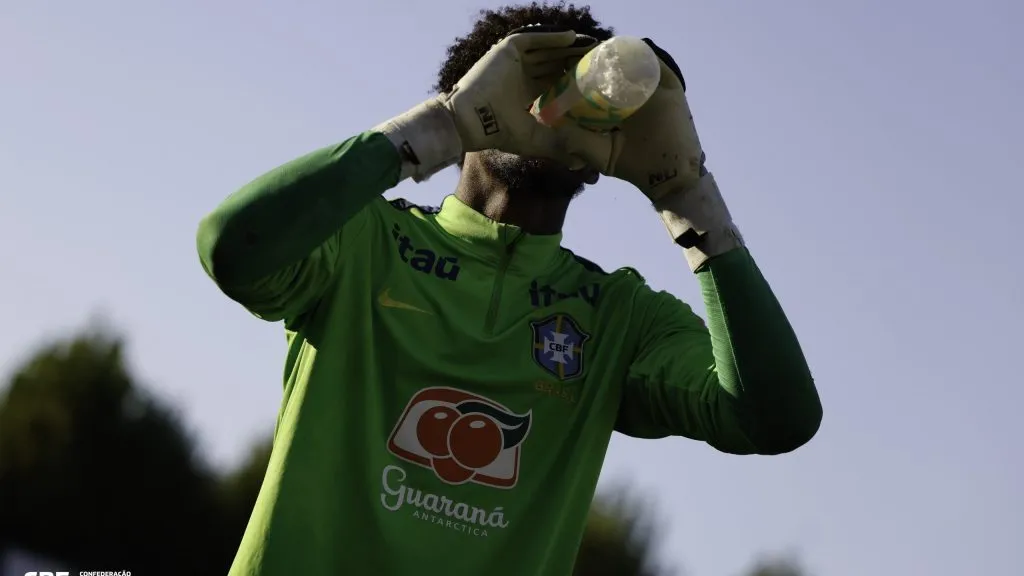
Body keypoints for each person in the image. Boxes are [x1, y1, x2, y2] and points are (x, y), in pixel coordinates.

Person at [196, 3, 822, 575]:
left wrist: (688, 200)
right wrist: (437, 128)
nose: (547, 113)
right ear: (470, 95)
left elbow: (778, 421)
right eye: (527, 82)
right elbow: (233, 248)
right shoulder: (360, 240)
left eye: (580, 97)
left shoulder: (621, 318)